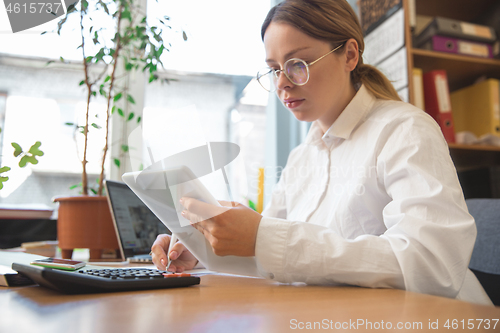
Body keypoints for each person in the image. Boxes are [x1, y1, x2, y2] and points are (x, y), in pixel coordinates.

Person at [150, 0, 492, 305]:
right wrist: (204, 251)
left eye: (297, 62)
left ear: (350, 55)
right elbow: (266, 255)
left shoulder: (404, 130)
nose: (282, 82)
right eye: (273, 68)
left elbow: (432, 264)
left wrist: (262, 236)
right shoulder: (302, 157)